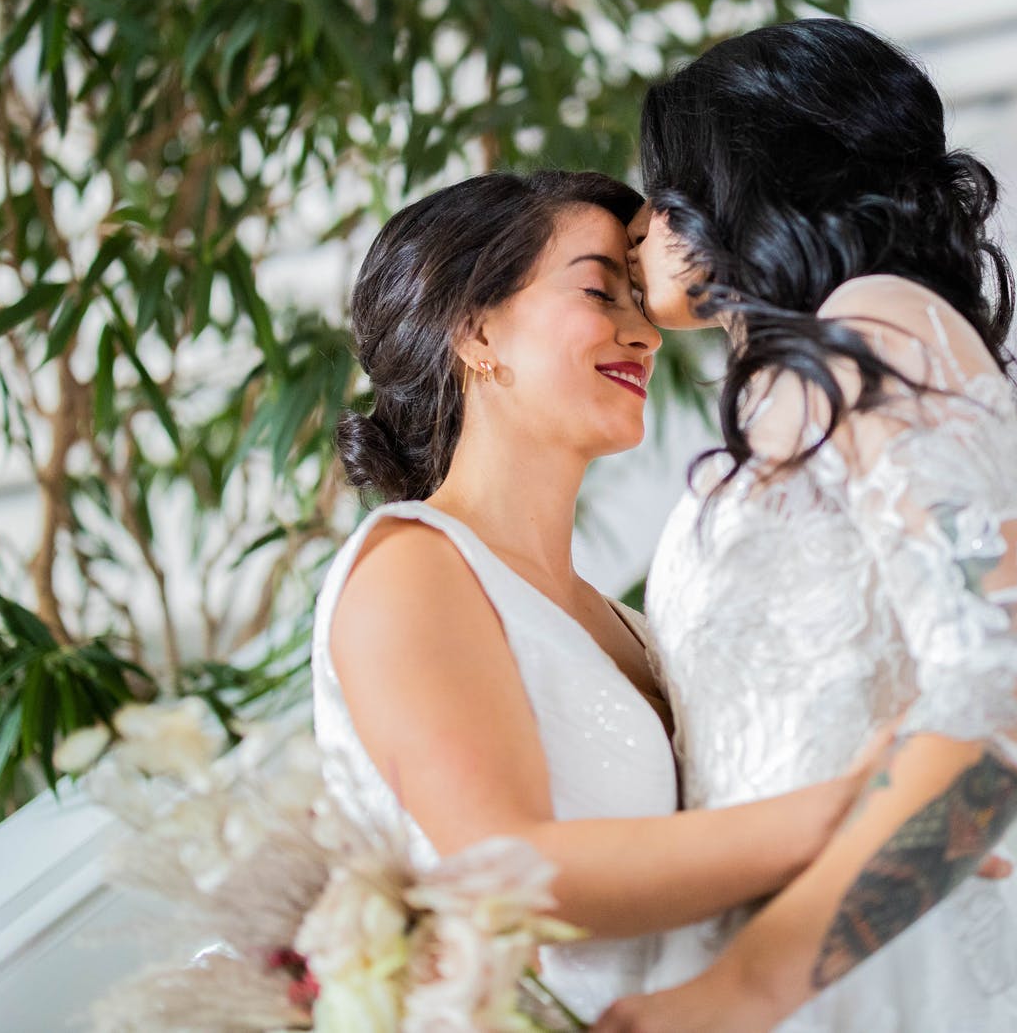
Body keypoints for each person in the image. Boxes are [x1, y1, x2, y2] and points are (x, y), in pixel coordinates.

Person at [598, 17, 1017, 1032]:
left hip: (860, 972)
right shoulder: (797, 381)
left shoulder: (875, 323)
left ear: (742, 186)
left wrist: (737, 993)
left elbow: (1010, 690)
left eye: (665, 192)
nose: (636, 227)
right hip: (764, 944)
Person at [312, 170, 892, 1022]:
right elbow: (504, 874)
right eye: (599, 291)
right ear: (473, 328)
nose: (645, 336)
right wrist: (855, 810)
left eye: (640, 302)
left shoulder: (628, 624)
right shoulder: (412, 568)